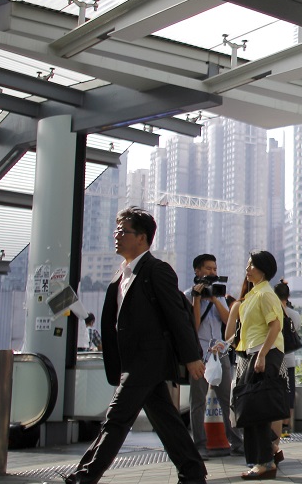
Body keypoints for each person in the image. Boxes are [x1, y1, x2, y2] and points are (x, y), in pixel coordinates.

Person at [63, 207, 207, 484]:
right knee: (166, 421)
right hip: (135, 363)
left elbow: (177, 316)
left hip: (148, 361)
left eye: (123, 231)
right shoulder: (122, 276)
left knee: (116, 419)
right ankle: (193, 472)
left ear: (142, 238)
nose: (117, 236)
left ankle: (84, 477)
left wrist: (191, 357)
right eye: (116, 230)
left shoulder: (157, 270)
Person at [222, 250, 287, 481]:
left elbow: (275, 326)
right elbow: (243, 332)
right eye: (248, 265)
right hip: (252, 354)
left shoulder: (265, 294)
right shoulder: (252, 296)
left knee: (255, 410)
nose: (247, 269)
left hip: (263, 355)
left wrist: (261, 356)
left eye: (252, 265)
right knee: (250, 409)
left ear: (264, 269)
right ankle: (268, 454)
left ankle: (265, 462)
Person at [183, 253, 244, 457]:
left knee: (226, 399)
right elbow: (194, 326)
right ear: (197, 271)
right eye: (208, 269)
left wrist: (215, 299)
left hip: (220, 352)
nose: (212, 272)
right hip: (199, 354)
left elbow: (228, 321)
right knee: (198, 401)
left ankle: (235, 441)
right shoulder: (187, 295)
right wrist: (197, 300)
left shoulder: (219, 295)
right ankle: (199, 444)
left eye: (215, 269)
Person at [271, 280, 298, 446]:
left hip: (275, 358)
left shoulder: (273, 311)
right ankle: (288, 426)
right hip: (289, 359)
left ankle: (276, 428)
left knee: (276, 393)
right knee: (289, 393)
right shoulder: (294, 314)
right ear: (288, 295)